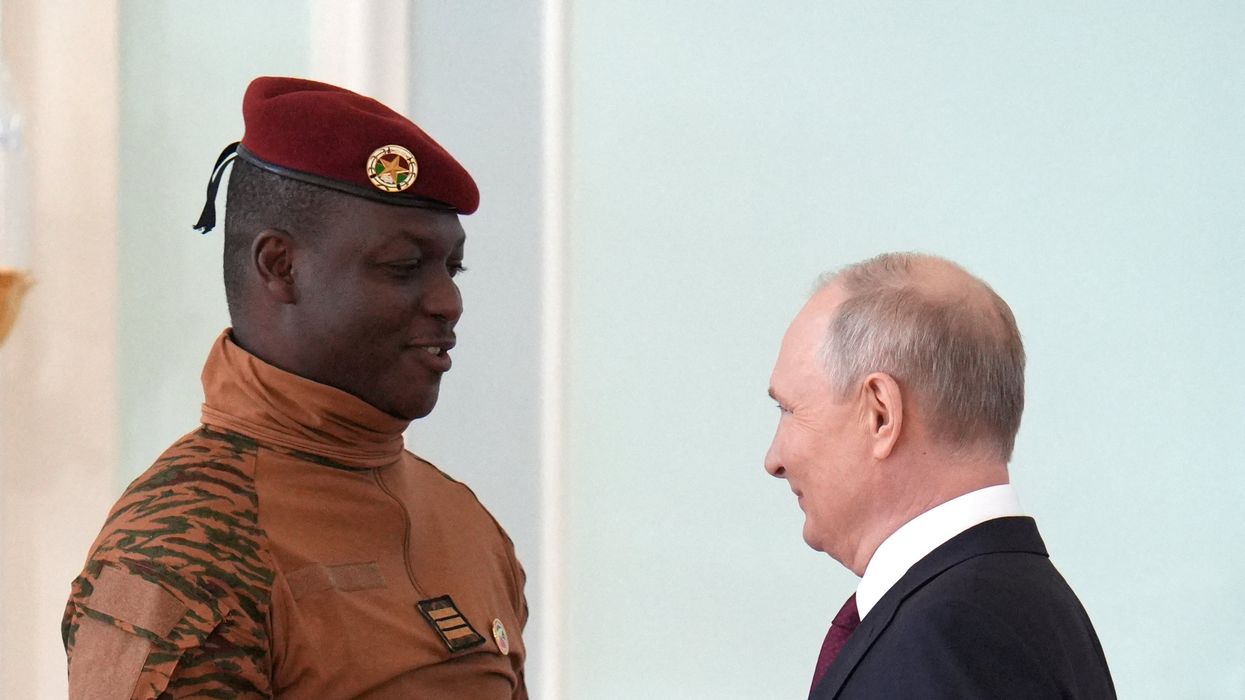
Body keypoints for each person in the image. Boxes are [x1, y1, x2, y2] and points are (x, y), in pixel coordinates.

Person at [62, 77, 527, 698]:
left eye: (453, 267)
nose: (449, 301)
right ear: (280, 267)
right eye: (404, 267)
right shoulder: (181, 551)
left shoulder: (465, 521)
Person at [765, 252, 1115, 699]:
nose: (773, 460)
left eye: (789, 410)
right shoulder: (1035, 610)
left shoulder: (939, 643)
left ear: (880, 414)